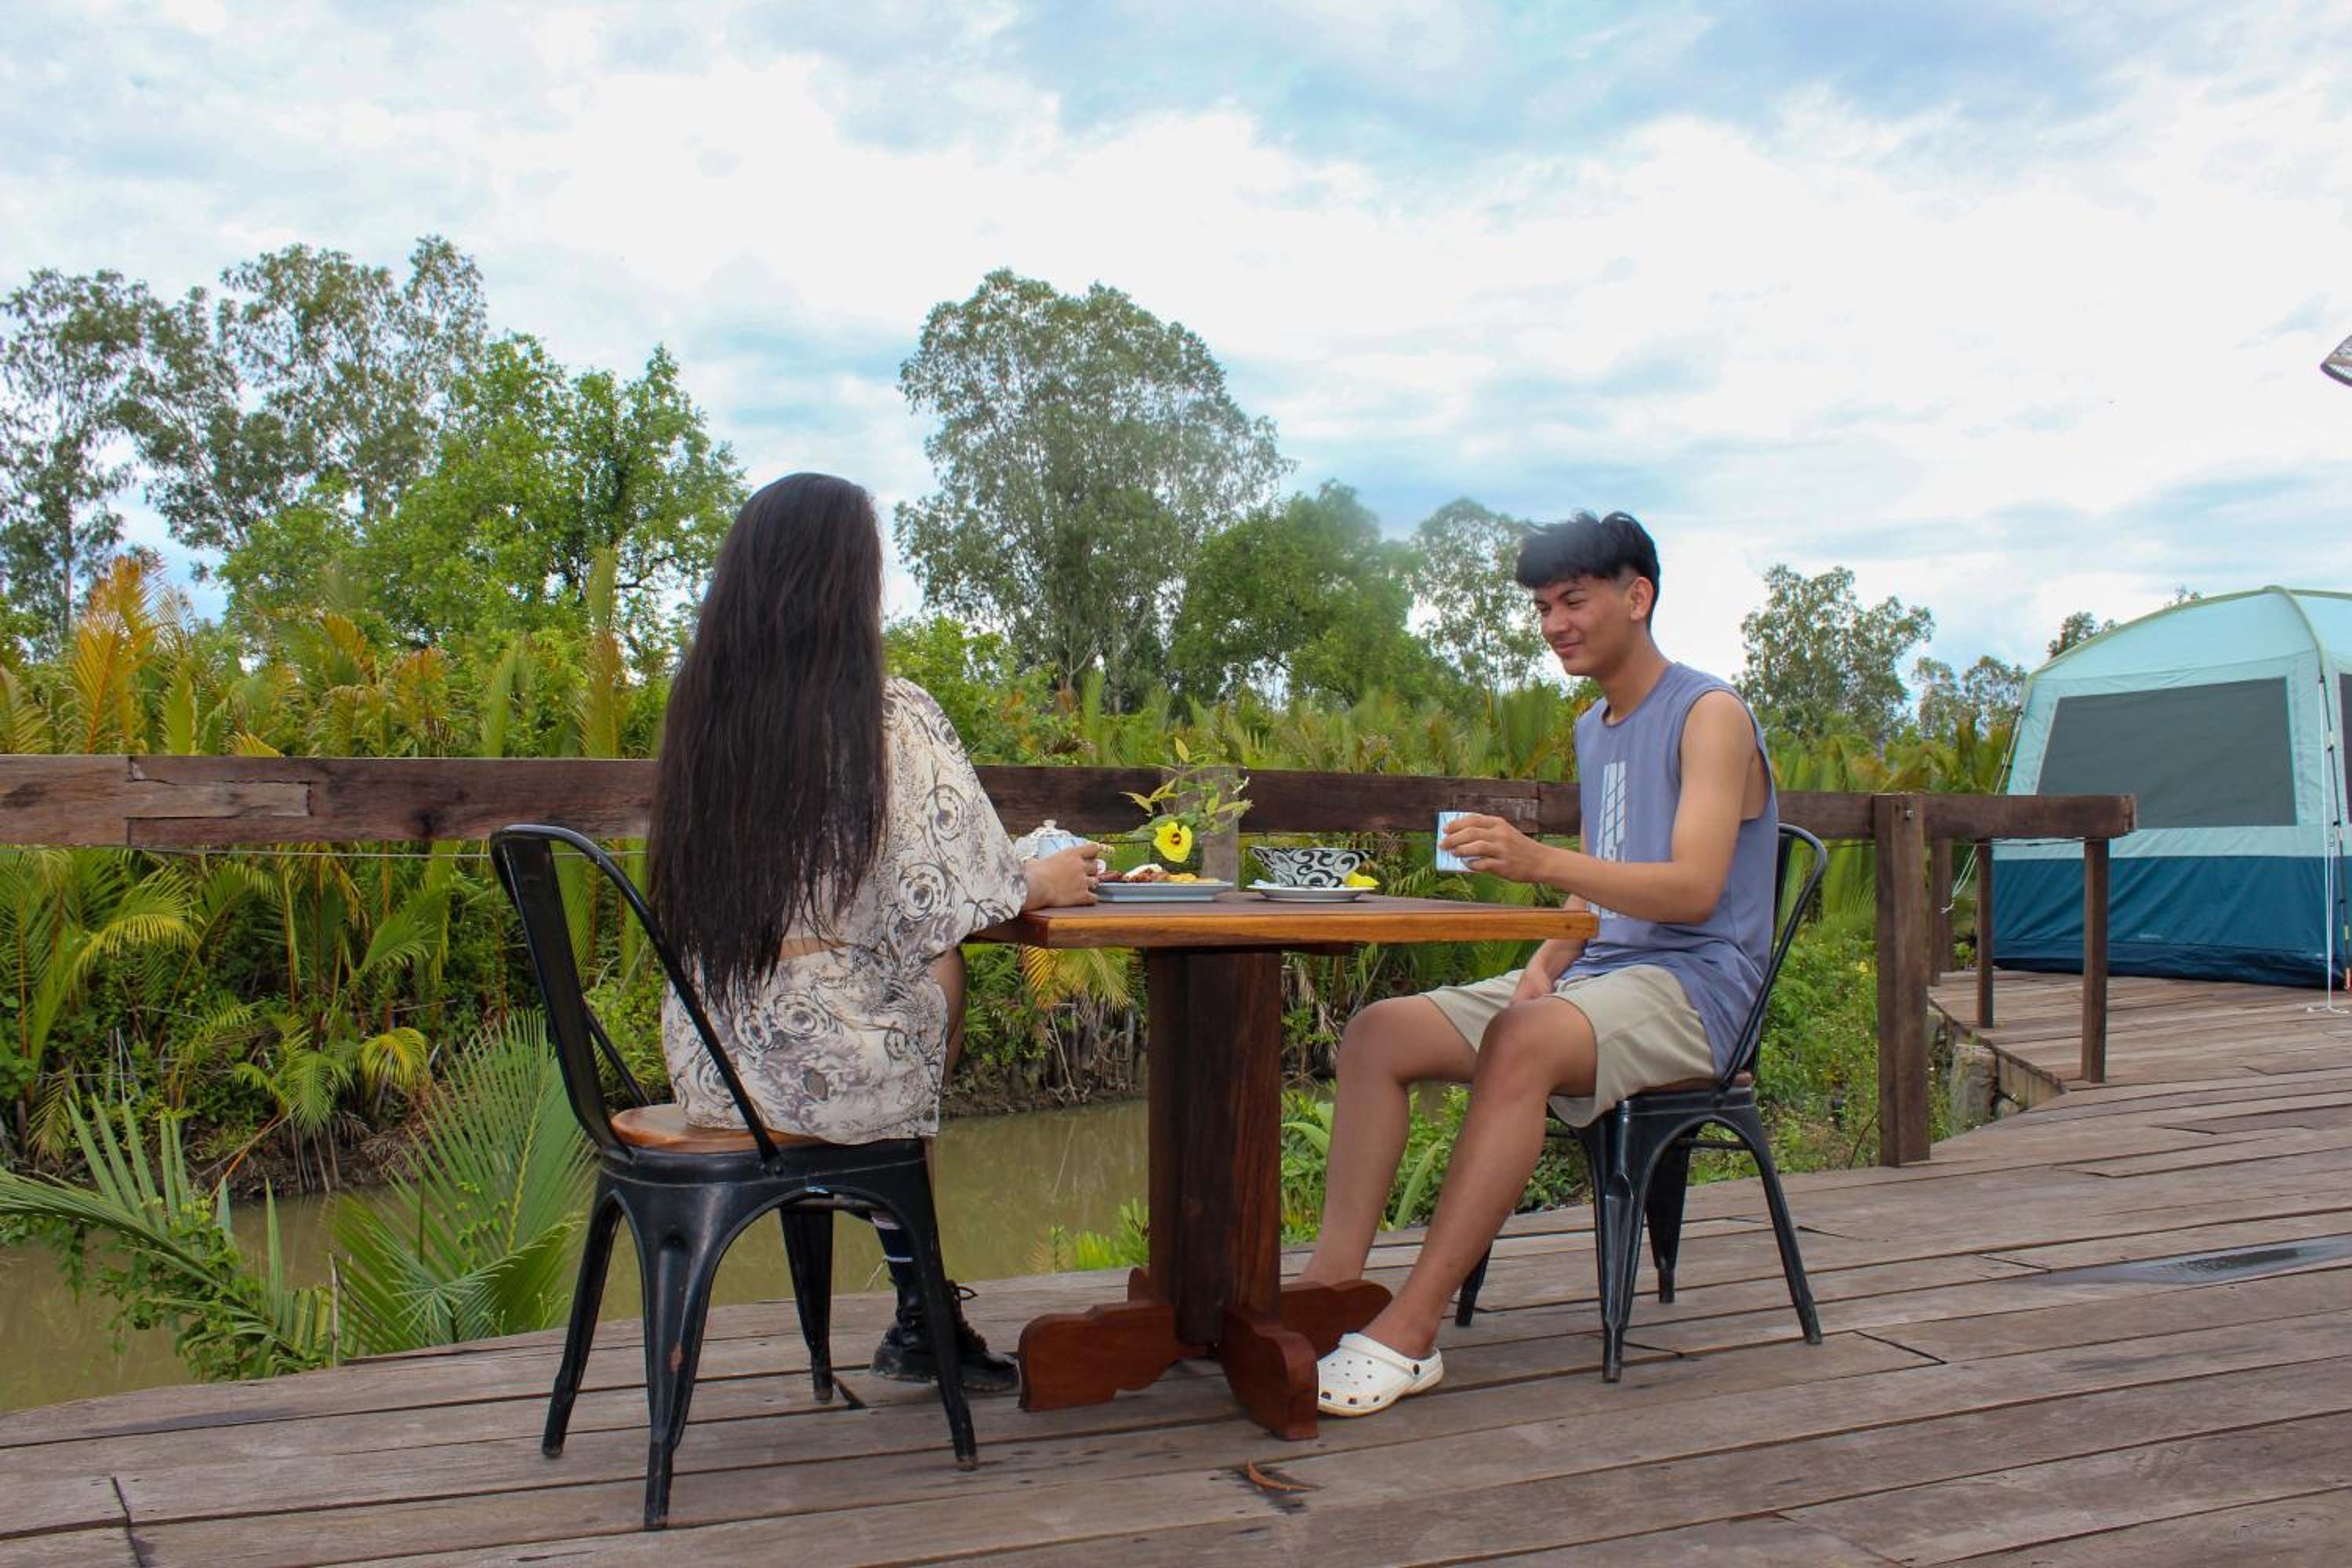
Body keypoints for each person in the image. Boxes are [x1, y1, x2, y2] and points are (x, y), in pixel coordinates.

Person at [1295, 510, 1777, 1417]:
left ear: (1637, 597)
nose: (1555, 623)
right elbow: (1605, 870)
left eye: (1574, 600)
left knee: (1521, 1038)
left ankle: (1410, 1332)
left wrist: (1536, 860)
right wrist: (1549, 954)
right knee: (1378, 1033)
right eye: (1543, 606)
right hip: (1603, 976)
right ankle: (1330, 1290)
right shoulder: (1596, 726)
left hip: (1699, 987)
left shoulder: (1709, 714)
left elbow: (1691, 890)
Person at [645, 471, 1103, 1395]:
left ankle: (917, 1291)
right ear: (845, 582)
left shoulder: (702, 714)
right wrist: (1044, 877)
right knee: (938, 966)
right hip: (816, 1068)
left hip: (706, 1055)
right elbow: (954, 895)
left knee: (897, 979)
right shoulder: (887, 713)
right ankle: (920, 1300)